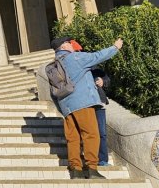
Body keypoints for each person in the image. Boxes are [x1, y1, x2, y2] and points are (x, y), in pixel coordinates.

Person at [51, 35, 123, 180]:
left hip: (67, 107)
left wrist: (63, 109)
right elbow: (97, 56)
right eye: (69, 43)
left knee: (73, 138)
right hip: (83, 103)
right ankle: (92, 168)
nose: (72, 45)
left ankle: (76, 170)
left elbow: (53, 92)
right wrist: (115, 47)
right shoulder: (75, 58)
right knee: (91, 134)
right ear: (64, 46)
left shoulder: (54, 65)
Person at [91, 65, 112, 167]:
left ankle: (103, 160)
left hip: (99, 103)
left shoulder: (95, 68)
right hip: (84, 104)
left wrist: (102, 81)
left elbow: (107, 79)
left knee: (102, 133)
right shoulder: (74, 67)